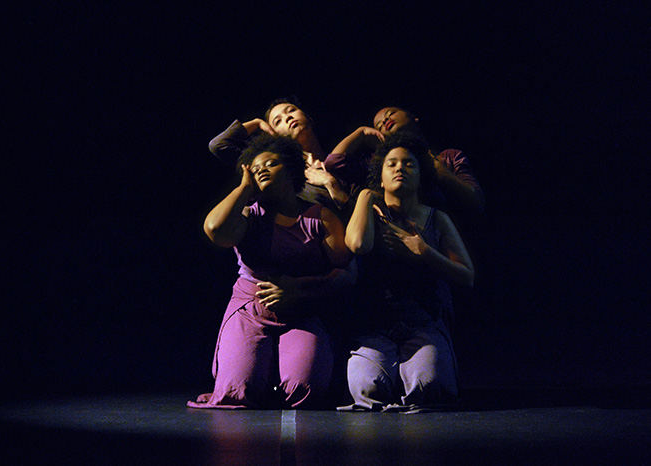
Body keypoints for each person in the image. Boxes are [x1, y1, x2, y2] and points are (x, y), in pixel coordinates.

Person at [188, 134, 353, 409]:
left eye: (270, 163)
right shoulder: (249, 215)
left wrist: (298, 290)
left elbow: (346, 273)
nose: (260, 169)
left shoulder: (319, 216)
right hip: (251, 308)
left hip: (301, 309)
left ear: (290, 170)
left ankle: (277, 371)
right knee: (236, 392)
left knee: (305, 390)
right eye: (254, 168)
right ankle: (260, 373)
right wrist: (243, 187)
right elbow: (215, 230)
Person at [341, 133, 474, 412]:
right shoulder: (369, 208)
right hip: (376, 327)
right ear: (380, 175)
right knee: (368, 388)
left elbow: (466, 276)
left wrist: (423, 252)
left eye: (408, 164)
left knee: (431, 386)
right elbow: (357, 245)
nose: (400, 168)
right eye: (391, 164)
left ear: (421, 176)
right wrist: (366, 195)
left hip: (423, 323)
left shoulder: (436, 218)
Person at [327, 106, 485, 223]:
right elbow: (334, 162)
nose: (385, 121)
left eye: (390, 114)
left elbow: (475, 201)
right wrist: (361, 133)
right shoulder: (384, 165)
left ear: (412, 116)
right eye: (379, 125)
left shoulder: (449, 157)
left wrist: (435, 167)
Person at [208, 97, 355, 222]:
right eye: (278, 121)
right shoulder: (278, 171)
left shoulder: (340, 163)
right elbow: (218, 145)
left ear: (309, 118)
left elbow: (363, 219)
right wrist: (257, 123)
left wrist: (331, 184)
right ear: (275, 134)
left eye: (291, 110)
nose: (288, 118)